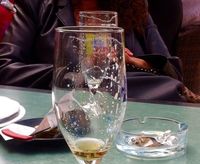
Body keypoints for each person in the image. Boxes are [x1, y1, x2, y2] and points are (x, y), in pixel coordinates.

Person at [0, 0, 188, 102]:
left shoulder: (135, 7)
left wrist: (129, 62)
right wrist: (75, 74)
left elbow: (173, 72)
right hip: (61, 118)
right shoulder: (36, 5)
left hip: (130, 120)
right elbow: (5, 69)